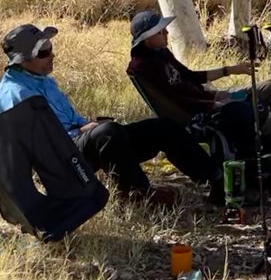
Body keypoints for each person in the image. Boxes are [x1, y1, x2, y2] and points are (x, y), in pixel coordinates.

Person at [1, 23, 223, 206]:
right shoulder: (16, 94)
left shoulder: (42, 78)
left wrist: (86, 126)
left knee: (162, 127)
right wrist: (83, 131)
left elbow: (68, 120)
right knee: (107, 133)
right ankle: (139, 195)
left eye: (50, 47)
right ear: (23, 59)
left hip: (76, 143)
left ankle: (216, 180)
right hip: (61, 160)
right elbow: (39, 146)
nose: (52, 54)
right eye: (43, 52)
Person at [126, 10, 271, 167]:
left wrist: (231, 70)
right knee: (258, 112)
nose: (166, 32)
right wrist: (219, 102)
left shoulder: (161, 53)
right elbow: (178, 103)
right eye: (161, 31)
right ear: (147, 39)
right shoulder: (144, 67)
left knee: (270, 88)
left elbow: (190, 76)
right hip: (204, 113)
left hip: (210, 99)